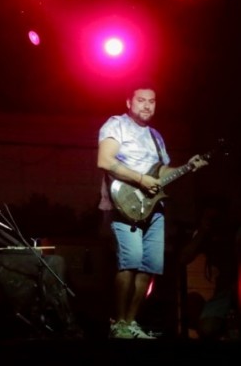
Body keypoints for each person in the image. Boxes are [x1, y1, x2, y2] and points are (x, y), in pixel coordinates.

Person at [97, 82, 208, 339]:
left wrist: (187, 167)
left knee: (150, 266)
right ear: (129, 102)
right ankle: (119, 324)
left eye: (152, 101)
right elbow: (105, 161)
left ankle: (130, 323)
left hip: (153, 208)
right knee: (130, 261)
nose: (147, 105)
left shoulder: (156, 137)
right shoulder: (116, 125)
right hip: (124, 203)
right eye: (141, 100)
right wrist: (140, 179)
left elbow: (162, 174)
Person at [179, 197, 241, 339]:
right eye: (208, 217)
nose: (212, 222)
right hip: (223, 292)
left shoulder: (237, 231)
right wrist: (203, 230)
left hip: (239, 287)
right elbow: (184, 258)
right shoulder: (205, 233)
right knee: (206, 327)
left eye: (216, 218)